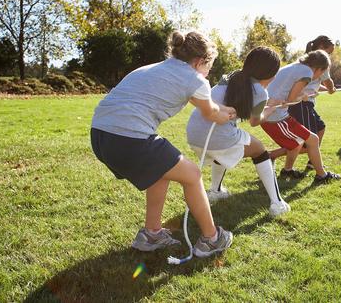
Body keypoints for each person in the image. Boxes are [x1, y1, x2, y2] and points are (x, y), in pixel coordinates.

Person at [90, 31, 236, 257]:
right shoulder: (196, 79)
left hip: (100, 135)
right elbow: (211, 113)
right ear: (200, 62)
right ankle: (211, 239)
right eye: (209, 66)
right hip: (129, 137)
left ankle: (151, 234)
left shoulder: (153, 68)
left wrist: (224, 111)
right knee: (193, 174)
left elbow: (211, 108)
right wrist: (228, 113)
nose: (209, 72)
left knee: (160, 172)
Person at [186, 47, 291, 217]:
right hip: (216, 137)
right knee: (260, 151)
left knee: (223, 152)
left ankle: (216, 191)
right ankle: (277, 203)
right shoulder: (260, 92)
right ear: (271, 74)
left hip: (194, 134)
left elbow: (245, 103)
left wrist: (269, 103)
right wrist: (270, 109)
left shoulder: (231, 78)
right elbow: (255, 121)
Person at [262, 50, 341, 184]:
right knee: (313, 140)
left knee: (298, 143)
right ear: (318, 68)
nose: (320, 77)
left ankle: (287, 170)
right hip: (275, 116)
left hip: (271, 111)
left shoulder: (295, 66)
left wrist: (305, 94)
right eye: (322, 72)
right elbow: (291, 100)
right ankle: (321, 175)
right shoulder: (307, 73)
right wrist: (303, 97)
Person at [273, 35, 337, 170]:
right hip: (301, 103)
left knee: (320, 128)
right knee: (305, 142)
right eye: (329, 51)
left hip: (304, 100)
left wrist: (321, 90)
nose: (329, 55)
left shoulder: (307, 61)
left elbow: (313, 84)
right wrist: (331, 89)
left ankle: (311, 162)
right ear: (321, 48)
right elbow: (327, 81)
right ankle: (272, 156)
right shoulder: (319, 62)